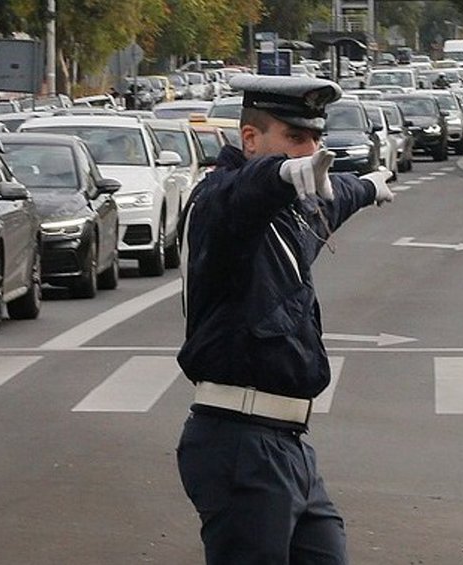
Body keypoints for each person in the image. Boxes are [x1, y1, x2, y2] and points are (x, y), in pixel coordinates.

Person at [175, 75, 394, 565]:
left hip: (287, 444)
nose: (311, 149)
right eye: (295, 138)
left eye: (316, 138)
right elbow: (246, 193)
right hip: (239, 441)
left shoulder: (290, 214)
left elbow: (330, 198)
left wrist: (365, 186)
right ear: (250, 139)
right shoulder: (220, 205)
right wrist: (278, 176)